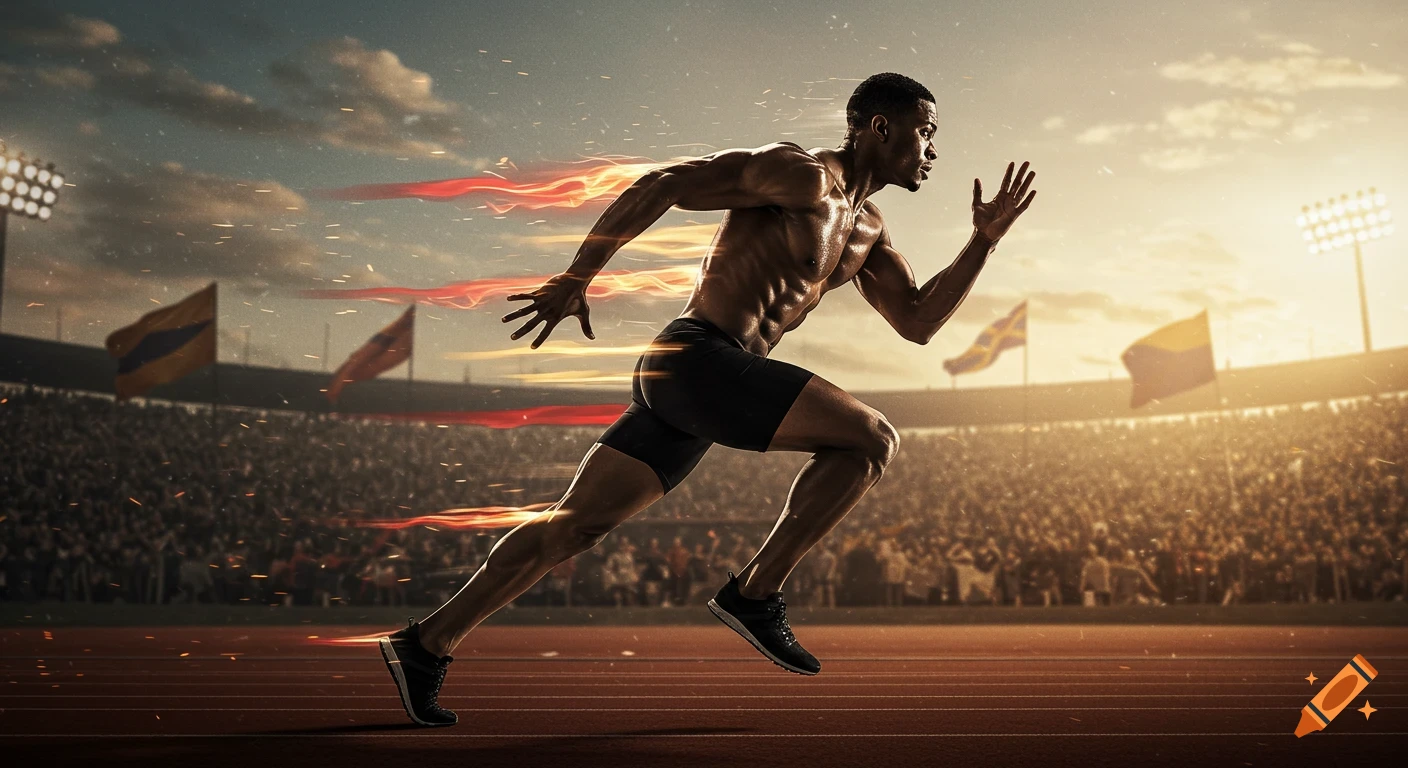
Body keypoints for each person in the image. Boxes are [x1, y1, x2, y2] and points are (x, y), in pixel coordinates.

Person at [379, 71, 1038, 727]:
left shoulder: (868, 232)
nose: (933, 150)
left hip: (710, 383)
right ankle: (754, 593)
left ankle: (426, 642)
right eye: (926, 132)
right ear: (880, 128)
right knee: (872, 439)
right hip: (698, 358)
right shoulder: (801, 176)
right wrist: (579, 275)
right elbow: (664, 183)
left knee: (574, 526)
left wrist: (983, 242)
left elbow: (919, 321)